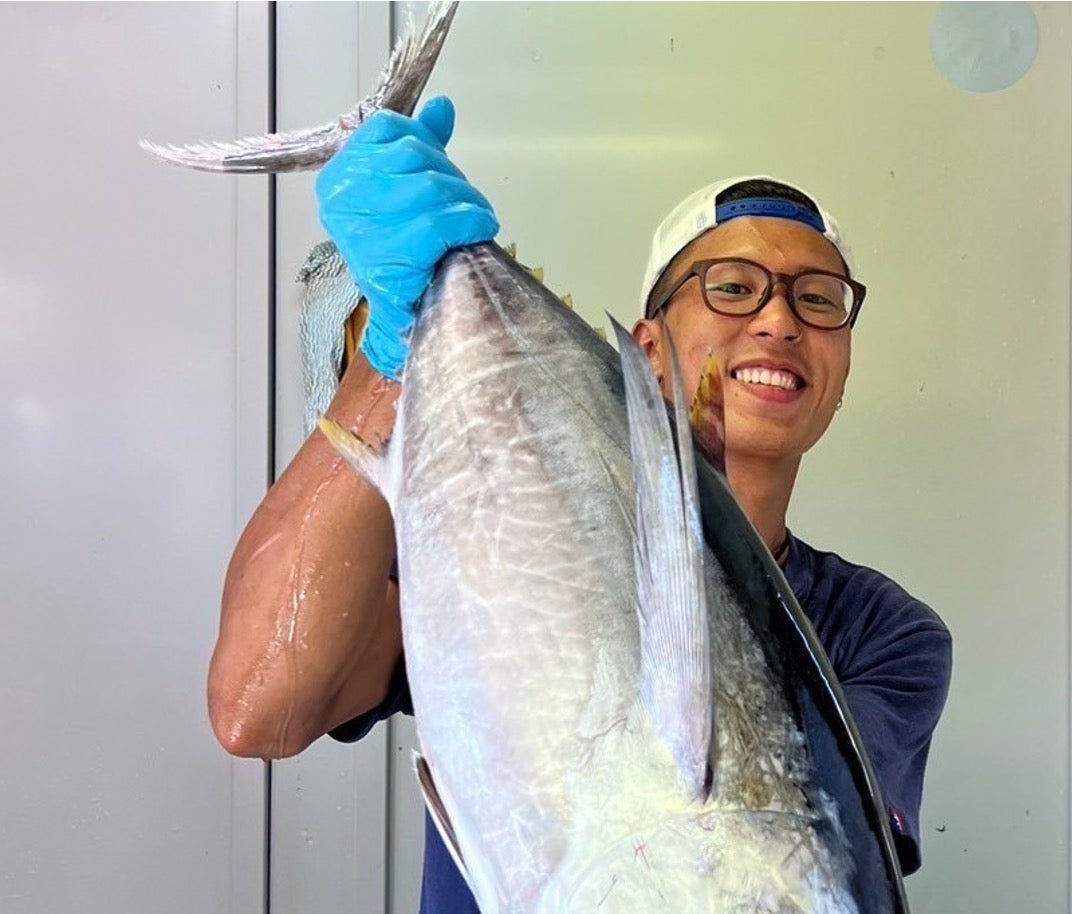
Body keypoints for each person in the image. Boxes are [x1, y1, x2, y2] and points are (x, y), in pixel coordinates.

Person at [212, 97, 953, 913]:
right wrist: (391, 350)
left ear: (841, 374)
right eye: (733, 288)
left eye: (818, 300)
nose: (778, 320)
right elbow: (260, 709)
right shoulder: (488, 551)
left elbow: (817, 851)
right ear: (649, 352)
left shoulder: (884, 633)